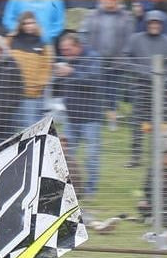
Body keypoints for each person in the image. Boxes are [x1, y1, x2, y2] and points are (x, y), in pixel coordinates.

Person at [51, 33, 108, 196]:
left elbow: (92, 80)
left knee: (91, 155)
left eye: (68, 49)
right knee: (67, 155)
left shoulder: (93, 58)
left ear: (77, 46)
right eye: (62, 50)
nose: (65, 53)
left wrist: (70, 72)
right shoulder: (69, 61)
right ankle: (67, 186)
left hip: (90, 117)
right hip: (71, 116)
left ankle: (90, 189)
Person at [121, 9, 167, 164]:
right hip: (141, 87)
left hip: (161, 89)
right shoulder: (135, 39)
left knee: (163, 123)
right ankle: (136, 156)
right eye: (151, 22)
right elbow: (125, 60)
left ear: (162, 24)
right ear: (146, 24)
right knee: (138, 123)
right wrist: (144, 72)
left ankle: (163, 155)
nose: (154, 25)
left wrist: (166, 77)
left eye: (157, 22)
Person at [5, 13, 54, 130]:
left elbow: (46, 68)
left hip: (31, 94)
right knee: (10, 128)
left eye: (31, 23)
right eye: (26, 23)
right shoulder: (11, 41)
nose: (29, 26)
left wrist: (37, 86)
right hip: (11, 94)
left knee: (30, 128)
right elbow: (3, 59)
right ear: (21, 25)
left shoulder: (43, 44)